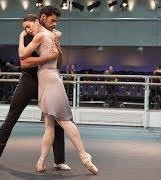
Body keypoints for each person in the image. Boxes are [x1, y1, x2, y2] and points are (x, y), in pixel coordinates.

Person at [0, 6, 71, 171]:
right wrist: (46, 58)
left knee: (56, 120)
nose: (55, 24)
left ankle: (59, 160)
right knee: (11, 117)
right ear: (42, 17)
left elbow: (58, 63)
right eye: (52, 20)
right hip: (29, 80)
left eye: (56, 21)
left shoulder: (52, 35)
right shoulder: (30, 36)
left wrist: (58, 49)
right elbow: (24, 62)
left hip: (47, 81)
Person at [18, 14, 99, 175]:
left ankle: (84, 155)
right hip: (48, 78)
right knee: (49, 124)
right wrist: (51, 31)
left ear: (36, 21)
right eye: (24, 29)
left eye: (28, 26)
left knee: (63, 120)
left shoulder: (41, 35)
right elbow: (58, 32)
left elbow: (22, 55)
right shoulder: (51, 34)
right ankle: (41, 162)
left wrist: (21, 38)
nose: (27, 30)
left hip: (49, 79)